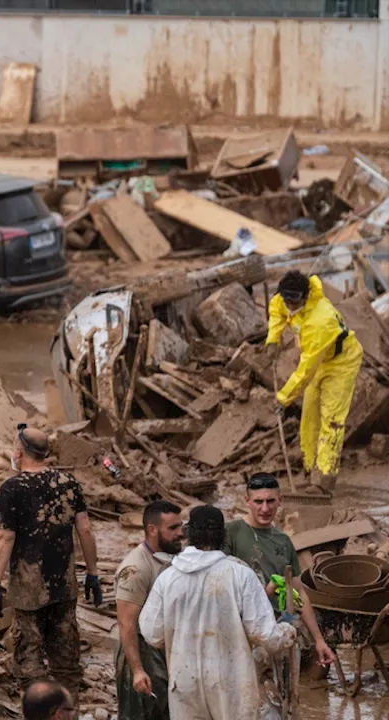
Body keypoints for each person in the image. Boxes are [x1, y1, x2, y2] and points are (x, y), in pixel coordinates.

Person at [140, 505, 297, 720]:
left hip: (185, 681)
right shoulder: (240, 575)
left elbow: (152, 633)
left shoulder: (168, 578)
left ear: (189, 534)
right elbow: (266, 636)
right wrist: (287, 630)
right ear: (222, 535)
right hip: (231, 682)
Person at [0, 424, 100, 694]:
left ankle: (39, 710)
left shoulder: (12, 488)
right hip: (63, 585)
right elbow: (84, 529)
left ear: (19, 452)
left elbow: (5, 538)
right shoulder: (68, 483)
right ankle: (68, 710)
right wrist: (93, 573)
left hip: (28, 590)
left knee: (30, 660)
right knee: (66, 662)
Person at [224, 472, 338, 674]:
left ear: (280, 501)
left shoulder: (283, 541)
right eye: (258, 501)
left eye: (270, 501)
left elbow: (299, 593)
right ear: (247, 501)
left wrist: (319, 640)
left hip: (276, 626)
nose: (265, 508)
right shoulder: (231, 533)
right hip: (242, 629)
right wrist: (264, 593)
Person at [265, 270, 363, 495]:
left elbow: (306, 368)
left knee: (332, 420)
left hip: (340, 363)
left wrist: (283, 397)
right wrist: (273, 339)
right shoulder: (284, 300)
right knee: (309, 418)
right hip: (318, 360)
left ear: (306, 296)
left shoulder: (321, 320)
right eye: (286, 299)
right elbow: (276, 310)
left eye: (294, 300)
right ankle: (310, 472)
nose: (289, 305)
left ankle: (324, 480)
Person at [115, 500, 183, 720]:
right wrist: (137, 670)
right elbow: (127, 623)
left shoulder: (169, 559)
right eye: (173, 528)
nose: (180, 533)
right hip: (139, 651)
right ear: (152, 530)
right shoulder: (136, 569)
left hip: (160, 651)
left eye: (180, 526)